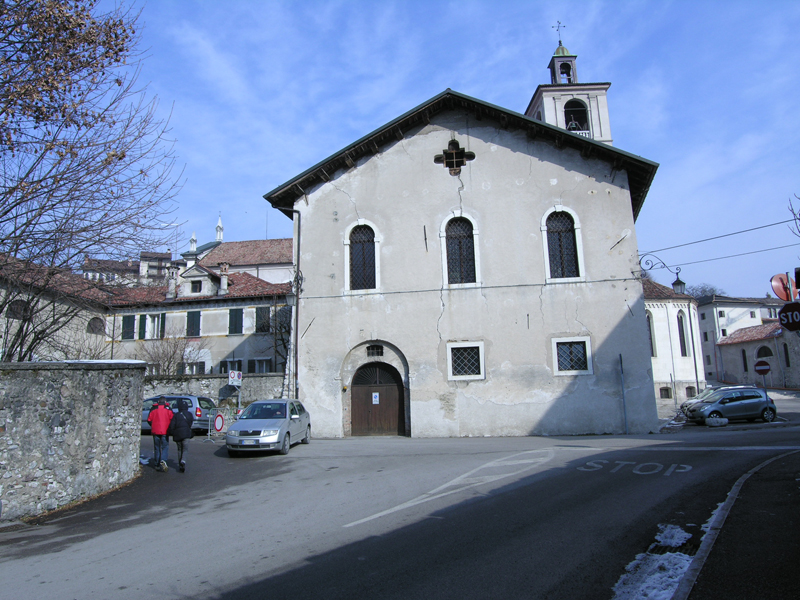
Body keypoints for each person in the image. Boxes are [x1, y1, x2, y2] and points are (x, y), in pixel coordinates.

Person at [147, 396, 173, 472]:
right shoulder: (168, 409)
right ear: (165, 402)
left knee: (157, 448)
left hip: (155, 431)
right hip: (165, 431)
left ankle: (157, 464)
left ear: (158, 402)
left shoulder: (153, 409)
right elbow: (172, 419)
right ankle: (163, 460)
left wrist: (153, 425)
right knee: (165, 447)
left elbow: (149, 419)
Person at [168, 398, 194, 472]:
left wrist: (172, 432)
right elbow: (190, 423)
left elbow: (172, 425)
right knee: (185, 449)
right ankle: (183, 461)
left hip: (178, 434)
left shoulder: (176, 415)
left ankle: (180, 465)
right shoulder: (189, 414)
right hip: (186, 434)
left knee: (180, 449)